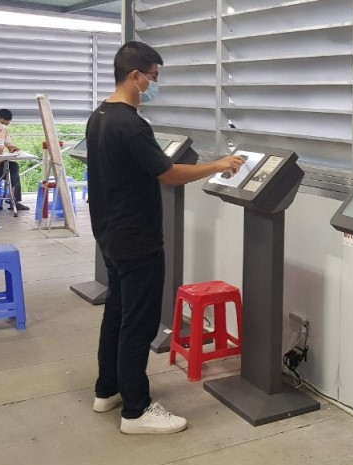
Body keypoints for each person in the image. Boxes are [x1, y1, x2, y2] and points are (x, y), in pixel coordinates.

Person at [86, 41, 244, 435]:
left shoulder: (99, 116)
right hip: (136, 239)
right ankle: (136, 411)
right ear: (135, 76)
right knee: (138, 324)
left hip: (109, 234)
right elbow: (169, 173)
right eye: (153, 77)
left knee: (117, 313)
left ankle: (108, 390)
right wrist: (219, 164)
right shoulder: (131, 124)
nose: (155, 85)